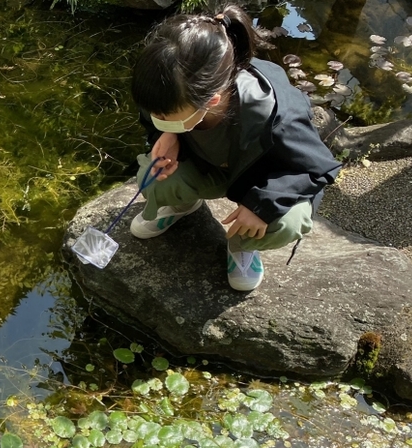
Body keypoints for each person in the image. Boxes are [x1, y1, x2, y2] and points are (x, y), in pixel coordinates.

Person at [128, 6, 341, 291]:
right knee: (151, 177)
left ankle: (242, 243)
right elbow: (154, 115)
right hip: (207, 165)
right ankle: (184, 204)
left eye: (165, 116)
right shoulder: (166, 88)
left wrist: (261, 205)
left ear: (212, 101)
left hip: (260, 180)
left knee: (287, 221)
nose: (157, 117)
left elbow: (317, 169)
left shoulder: (275, 116)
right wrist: (166, 134)